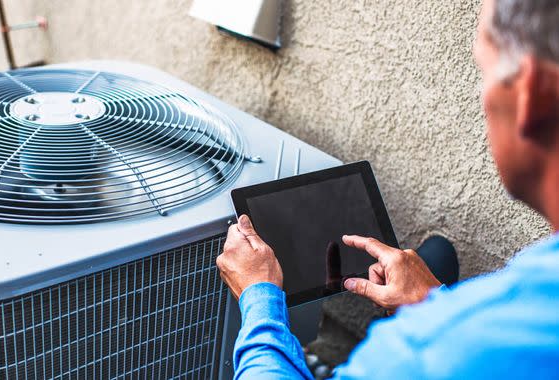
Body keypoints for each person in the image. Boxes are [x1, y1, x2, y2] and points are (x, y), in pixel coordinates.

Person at [215, 0, 559, 378]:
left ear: (531, 97)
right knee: (437, 255)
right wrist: (433, 301)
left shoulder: (421, 352)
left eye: (486, 73)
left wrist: (259, 296)